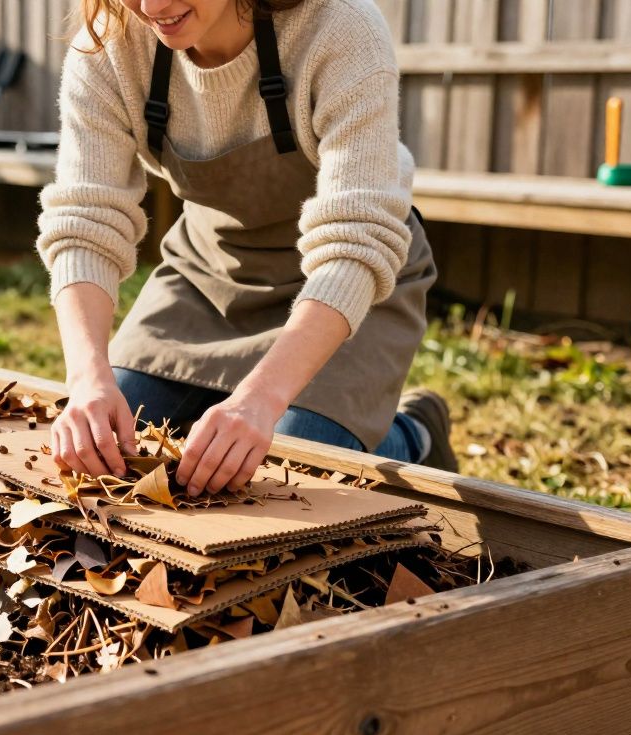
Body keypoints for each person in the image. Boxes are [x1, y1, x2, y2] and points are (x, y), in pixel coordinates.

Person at [36, 0, 457, 499]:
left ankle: (413, 432)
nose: (152, 7)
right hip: (208, 272)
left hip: (349, 283)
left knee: (290, 469)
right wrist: (87, 378)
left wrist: (261, 400)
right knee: (113, 443)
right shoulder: (111, 41)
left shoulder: (341, 27)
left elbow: (356, 240)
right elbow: (86, 221)